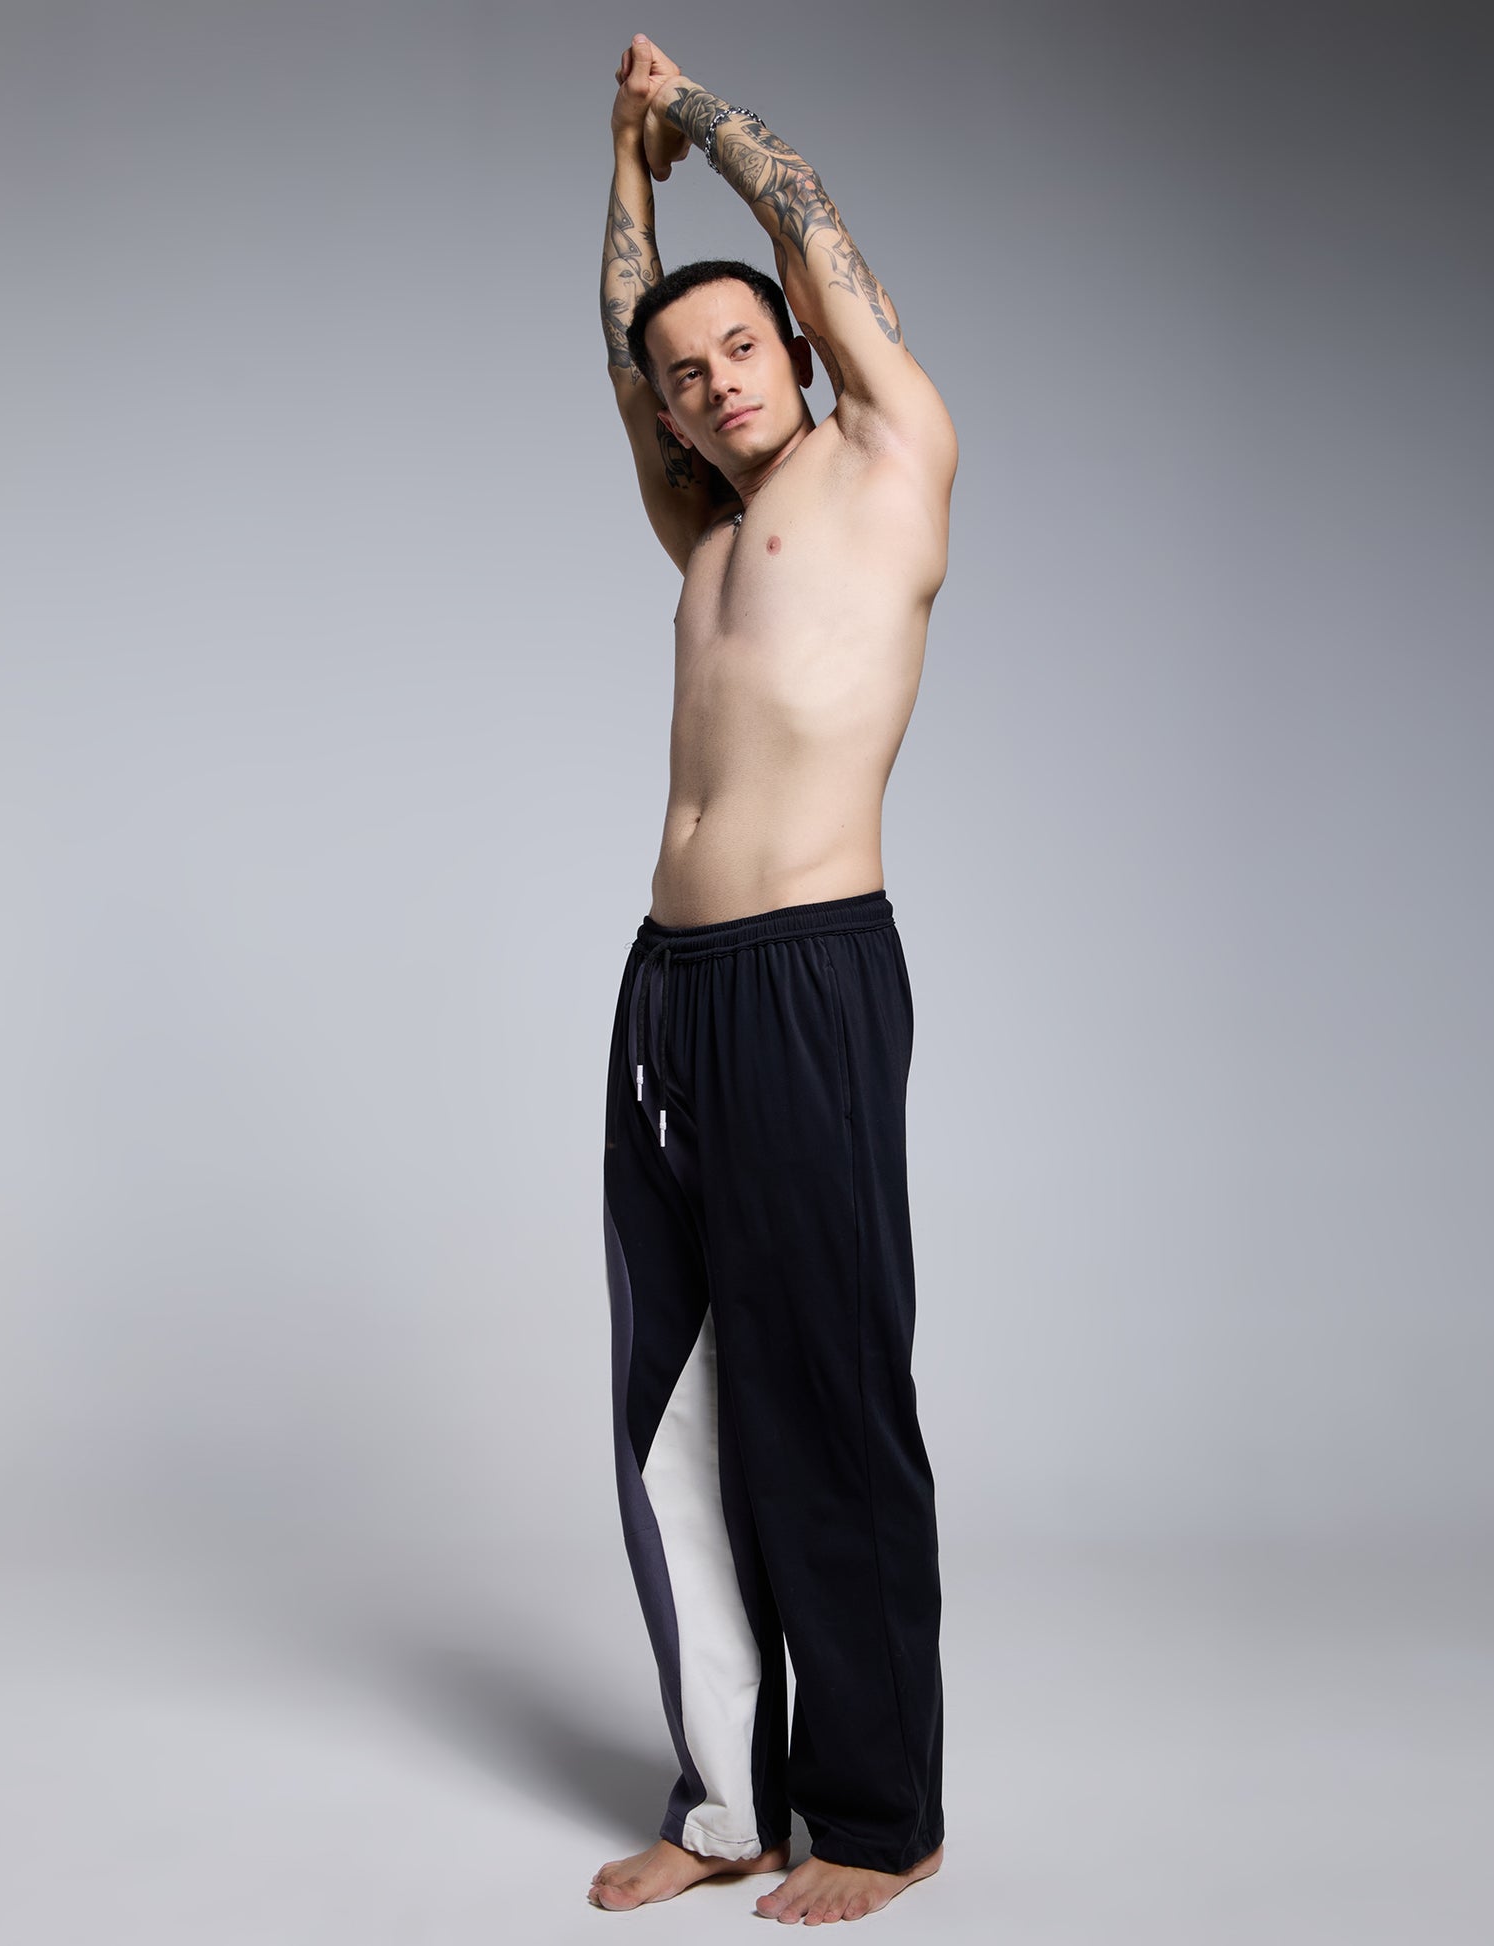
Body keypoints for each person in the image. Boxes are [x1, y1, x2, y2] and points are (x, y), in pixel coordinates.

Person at [589, 33, 957, 1926]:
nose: (713, 380)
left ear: (799, 351)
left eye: (740, 349)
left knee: (826, 1385)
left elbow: (811, 237)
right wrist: (618, 171)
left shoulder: (887, 462)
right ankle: (731, 1799)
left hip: (809, 975)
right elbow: (614, 344)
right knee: (676, 1403)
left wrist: (696, 120)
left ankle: (880, 1814)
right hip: (668, 989)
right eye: (685, 372)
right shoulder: (703, 536)